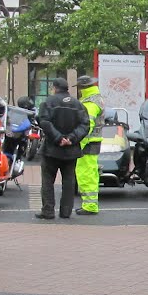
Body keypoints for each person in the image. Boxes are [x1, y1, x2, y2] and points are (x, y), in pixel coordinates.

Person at [35, 79, 87, 220]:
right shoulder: (78, 104)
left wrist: (58, 138)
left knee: (47, 181)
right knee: (69, 182)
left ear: (55, 88)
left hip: (51, 149)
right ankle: (66, 212)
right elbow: (85, 125)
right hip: (71, 150)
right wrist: (71, 138)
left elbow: (44, 122)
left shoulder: (48, 102)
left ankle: (48, 211)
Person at [74, 74, 105, 215]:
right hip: (93, 142)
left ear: (83, 87)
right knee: (91, 173)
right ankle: (90, 204)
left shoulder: (90, 103)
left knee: (85, 173)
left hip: (87, 142)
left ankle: (90, 206)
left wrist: (80, 142)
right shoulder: (94, 99)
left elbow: (88, 125)